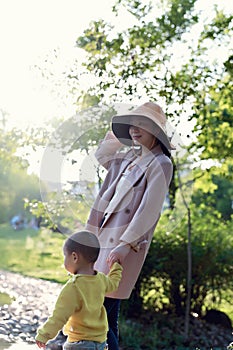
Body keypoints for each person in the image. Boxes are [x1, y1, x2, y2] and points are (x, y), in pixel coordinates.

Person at [85, 101, 175, 350]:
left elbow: (149, 210)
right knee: (105, 315)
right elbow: (102, 155)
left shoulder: (161, 163)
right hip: (103, 242)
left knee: (99, 313)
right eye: (132, 124)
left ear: (156, 130)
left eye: (143, 124)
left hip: (123, 248)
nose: (135, 129)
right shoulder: (128, 159)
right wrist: (120, 133)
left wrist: (126, 245)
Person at [35, 230, 123, 350]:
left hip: (79, 344)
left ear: (74, 257)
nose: (64, 261)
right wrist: (116, 267)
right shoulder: (101, 279)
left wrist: (44, 335)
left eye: (65, 256)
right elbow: (114, 283)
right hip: (100, 343)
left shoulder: (73, 287)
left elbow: (59, 316)